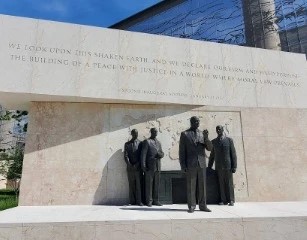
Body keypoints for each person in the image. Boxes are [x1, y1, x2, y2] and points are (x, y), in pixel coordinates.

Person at [179, 116, 213, 213]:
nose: (197, 123)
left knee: (202, 186)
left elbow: (210, 148)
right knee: (191, 185)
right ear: (191, 122)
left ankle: (203, 205)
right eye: (195, 121)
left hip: (202, 163)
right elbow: (182, 152)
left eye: (198, 121)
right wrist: (183, 165)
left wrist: (206, 138)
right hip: (190, 163)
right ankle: (192, 206)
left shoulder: (202, 134)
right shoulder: (185, 134)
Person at [208, 125, 237, 206]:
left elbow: (233, 154)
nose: (218, 130)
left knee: (229, 183)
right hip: (219, 166)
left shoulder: (229, 140)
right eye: (217, 129)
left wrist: (234, 166)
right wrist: (209, 166)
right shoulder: (214, 141)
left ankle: (231, 200)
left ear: (223, 130)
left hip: (228, 166)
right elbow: (212, 155)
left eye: (219, 129)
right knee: (220, 183)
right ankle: (223, 200)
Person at [141, 128, 164, 207]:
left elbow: (162, 152)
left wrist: (161, 155)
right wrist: (143, 166)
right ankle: (149, 201)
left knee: (156, 184)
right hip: (149, 167)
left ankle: (156, 200)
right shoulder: (147, 142)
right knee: (149, 185)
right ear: (151, 132)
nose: (155, 132)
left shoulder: (159, 142)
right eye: (154, 131)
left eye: (156, 131)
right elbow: (143, 154)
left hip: (158, 166)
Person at [124, 129, 143, 206]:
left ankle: (139, 201)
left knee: (139, 184)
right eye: (134, 133)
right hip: (130, 168)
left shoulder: (141, 143)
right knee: (131, 185)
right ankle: (132, 201)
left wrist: (137, 164)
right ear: (131, 134)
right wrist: (129, 164)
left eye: (137, 133)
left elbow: (142, 156)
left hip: (138, 168)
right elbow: (126, 155)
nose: (136, 134)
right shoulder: (127, 144)